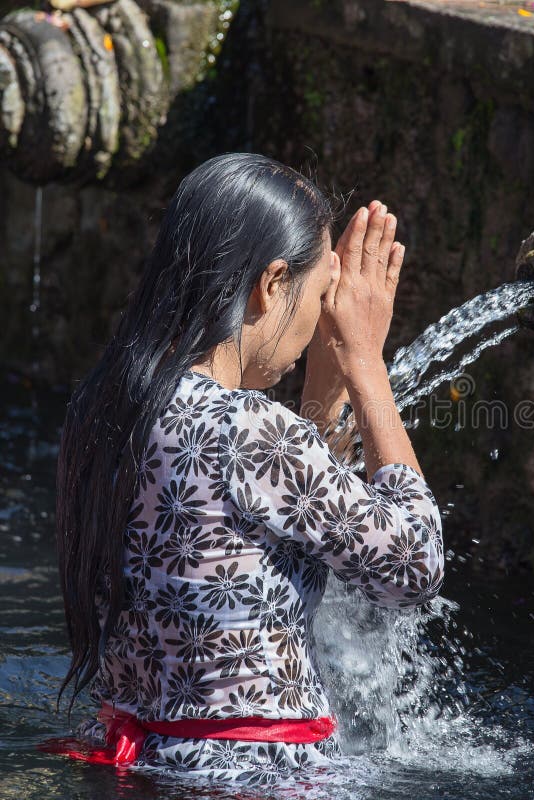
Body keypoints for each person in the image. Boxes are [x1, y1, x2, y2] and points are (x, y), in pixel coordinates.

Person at [52, 153, 444, 786]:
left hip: (139, 764)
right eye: (320, 298)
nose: (324, 319)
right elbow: (414, 567)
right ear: (270, 284)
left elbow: (271, 523)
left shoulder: (98, 410)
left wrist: (326, 378)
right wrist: (365, 359)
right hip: (260, 777)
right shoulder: (251, 430)